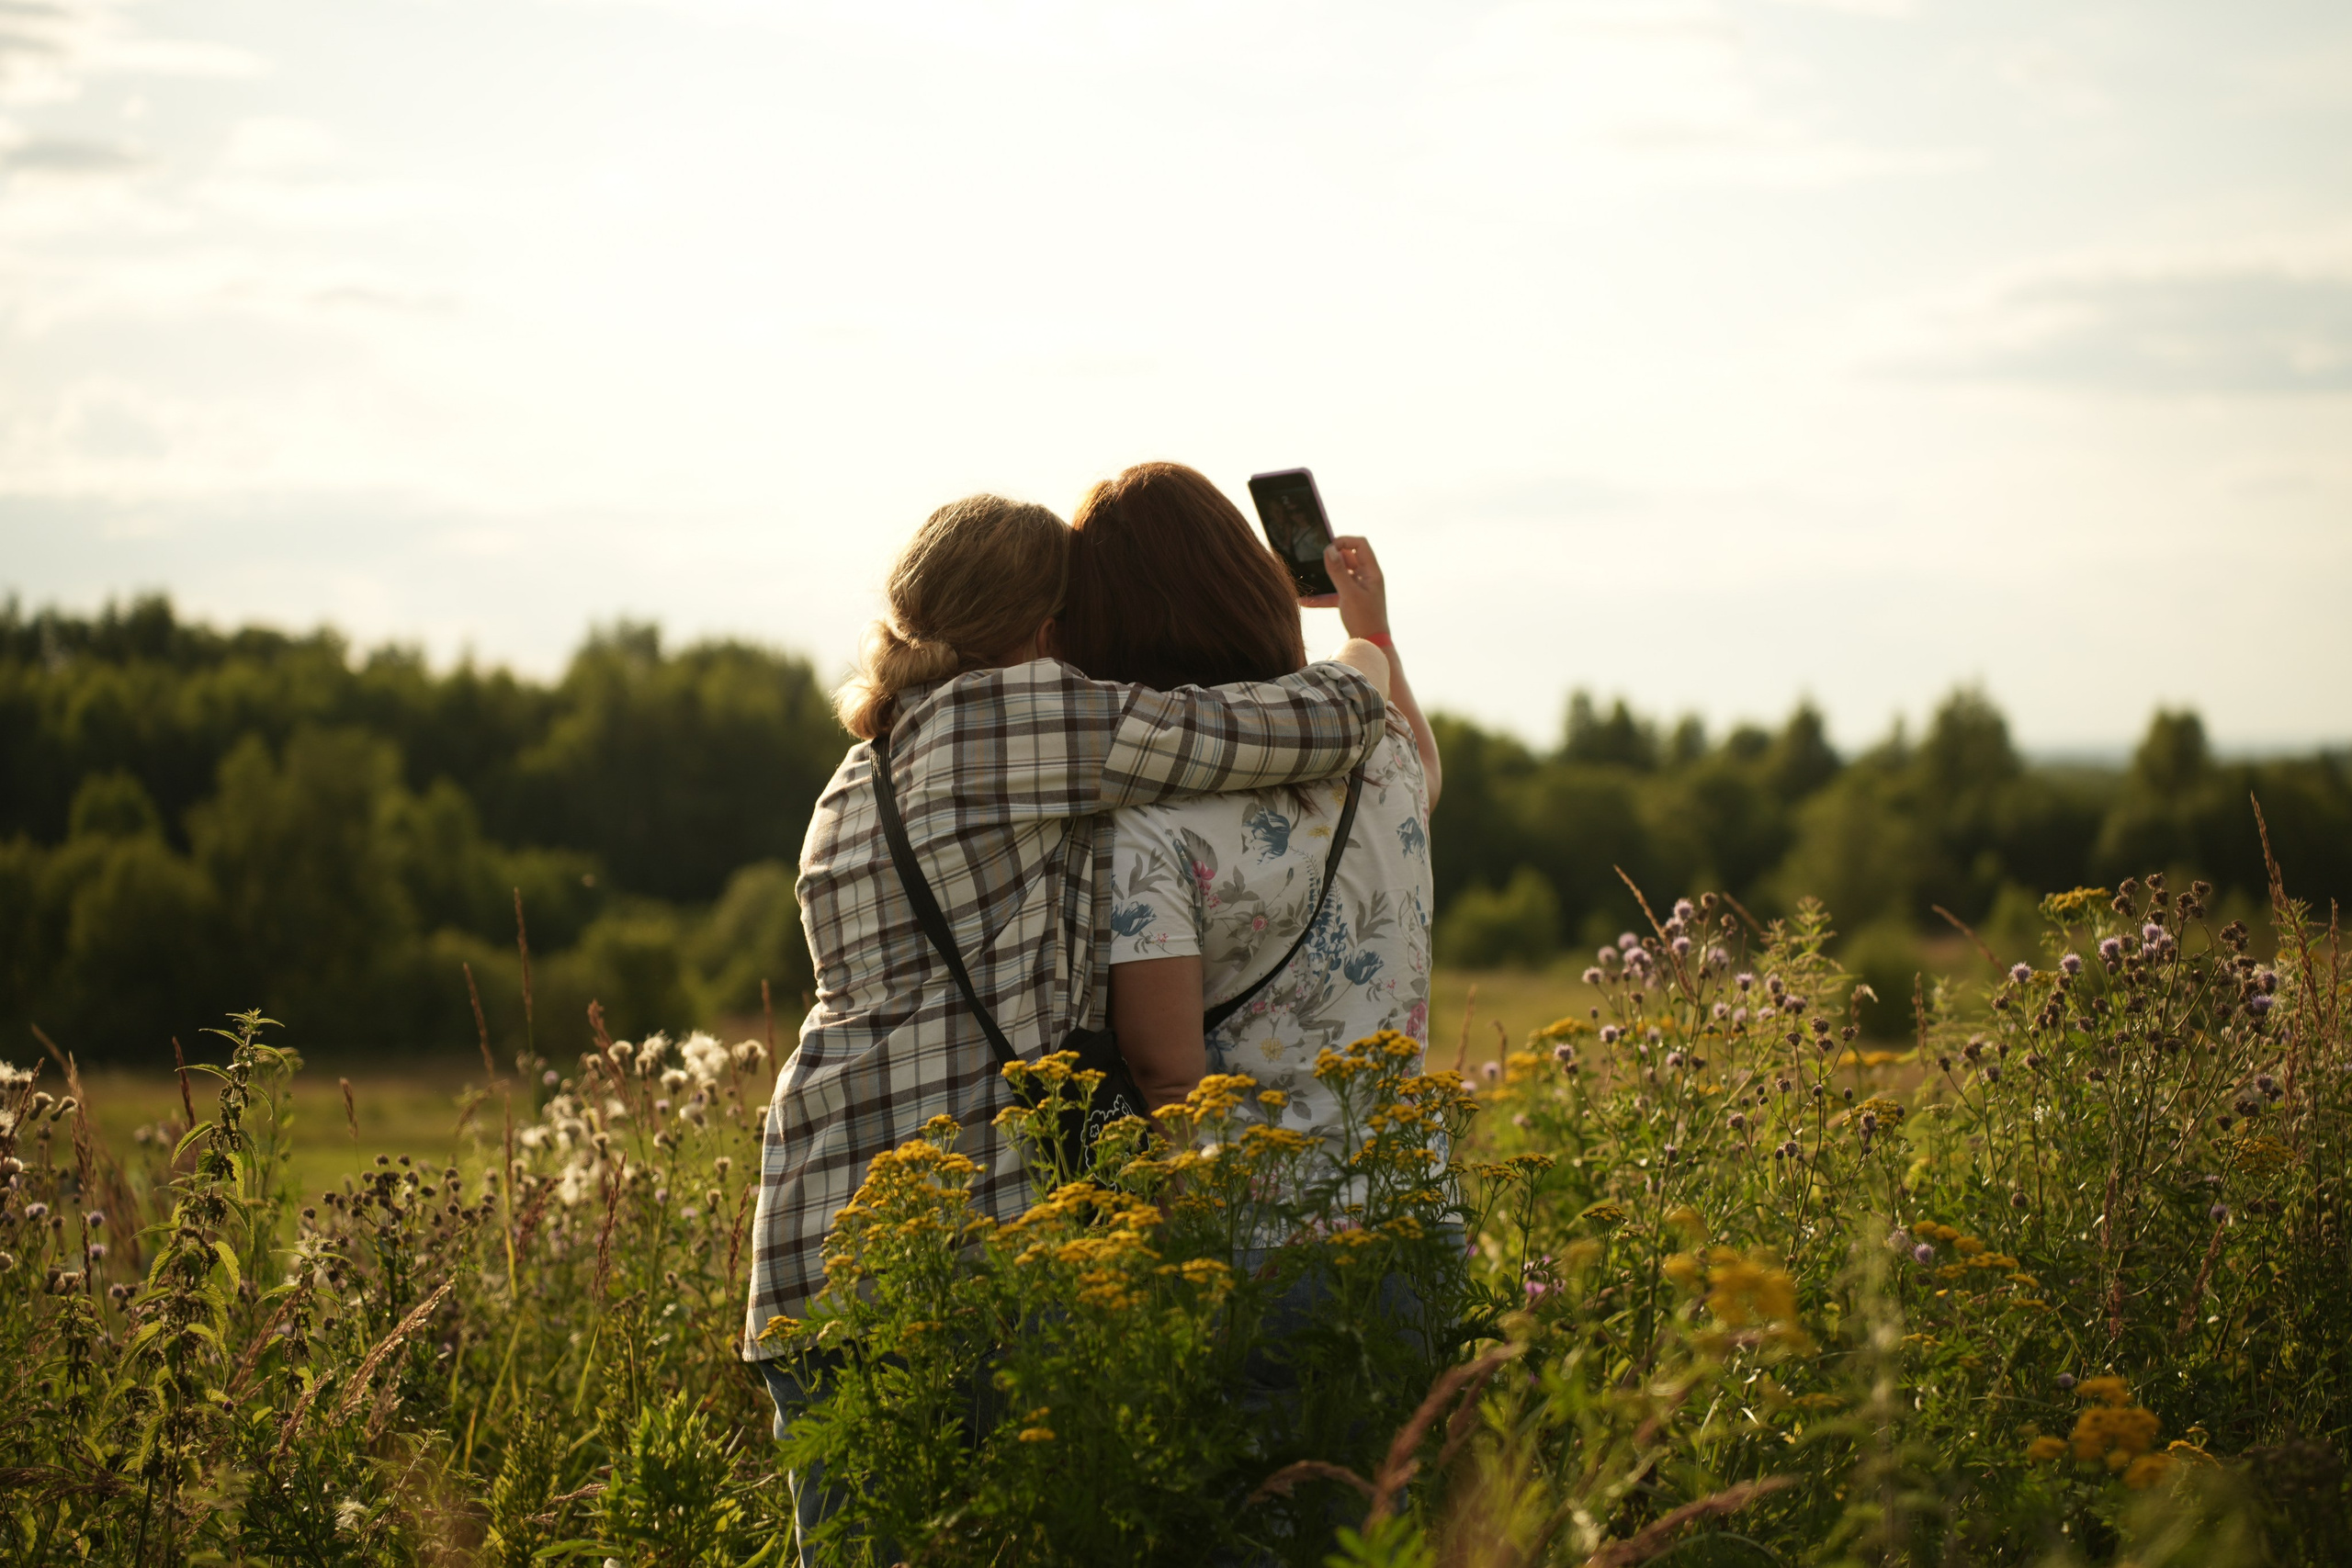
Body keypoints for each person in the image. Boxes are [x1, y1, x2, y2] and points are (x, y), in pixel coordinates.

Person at [741, 491, 1393, 1563]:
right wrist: (1364, 647)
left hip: (812, 1245)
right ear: (1046, 631)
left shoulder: (855, 777)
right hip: (972, 1241)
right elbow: (1284, 728)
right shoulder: (1012, 713)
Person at [1057, 462, 1441, 1128]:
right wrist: (1372, 632)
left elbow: (1166, 1082)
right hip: (1414, 1195)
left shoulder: (1148, 825)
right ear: (1251, 585)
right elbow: (1430, 766)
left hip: (1254, 1219)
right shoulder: (1388, 755)